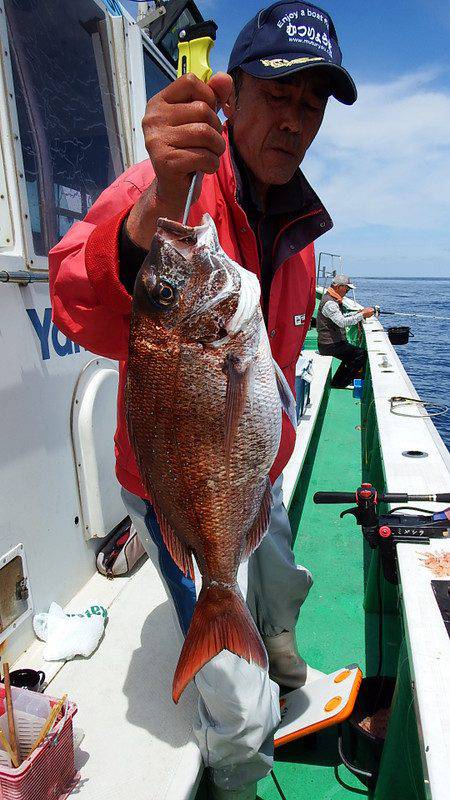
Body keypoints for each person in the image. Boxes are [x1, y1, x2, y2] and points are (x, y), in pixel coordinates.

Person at [49, 3, 358, 797]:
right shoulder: (176, 183)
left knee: (283, 579)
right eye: (278, 95)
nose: (294, 121)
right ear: (231, 94)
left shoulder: (299, 225)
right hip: (177, 487)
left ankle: (283, 653)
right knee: (242, 713)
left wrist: (264, 470)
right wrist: (153, 210)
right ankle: (238, 770)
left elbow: (271, 374)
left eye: (311, 105)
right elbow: (75, 296)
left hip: (251, 466)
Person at [317, 275, 374, 388]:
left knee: (353, 354)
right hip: (329, 345)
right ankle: (339, 383)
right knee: (360, 355)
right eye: (347, 288)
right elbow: (342, 322)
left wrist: (358, 314)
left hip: (333, 343)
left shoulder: (333, 299)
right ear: (338, 287)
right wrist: (362, 314)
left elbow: (340, 317)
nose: (348, 291)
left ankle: (339, 380)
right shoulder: (330, 303)